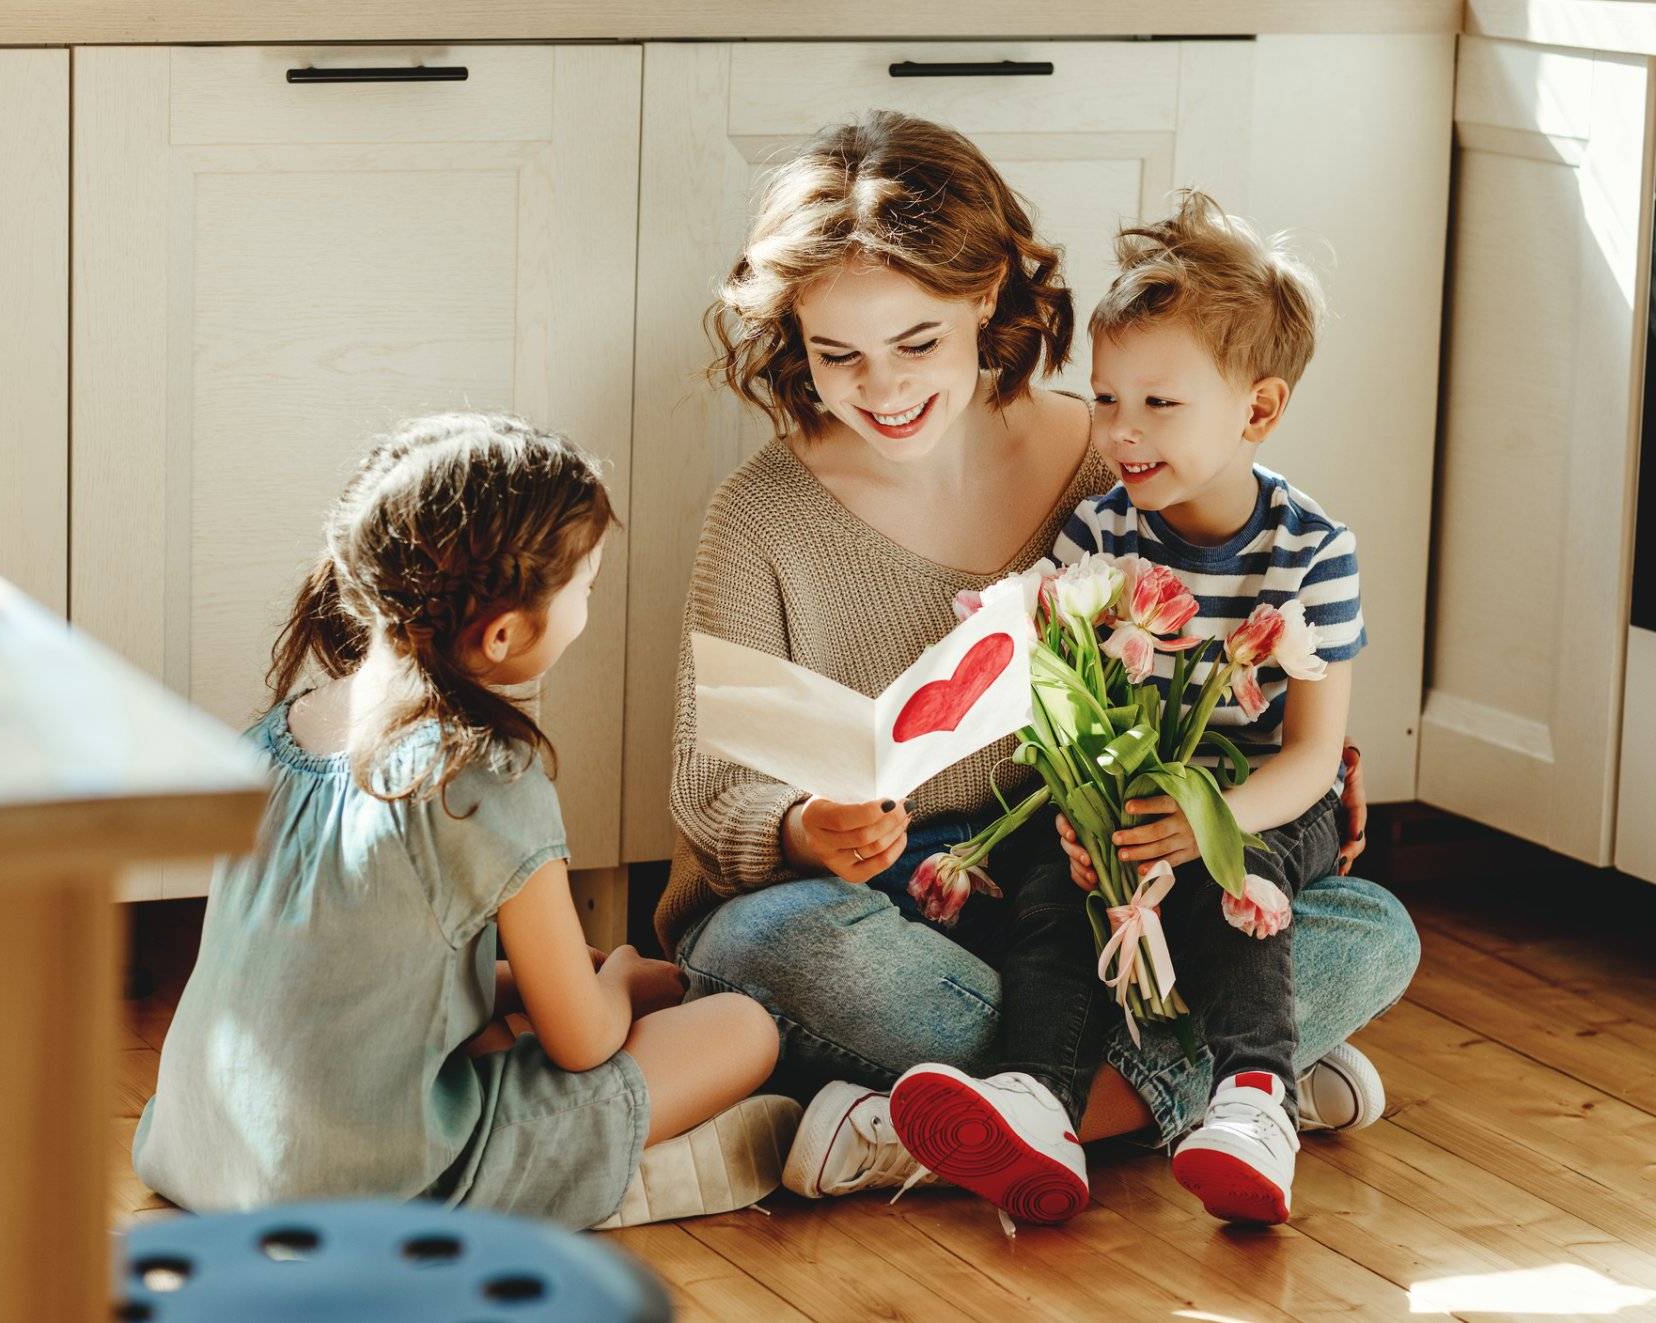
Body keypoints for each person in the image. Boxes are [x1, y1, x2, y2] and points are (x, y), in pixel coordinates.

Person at [659, 110, 1417, 1203]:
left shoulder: (1115, 460)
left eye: (916, 343)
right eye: (838, 356)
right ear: (795, 342)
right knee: (790, 947)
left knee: (1375, 933)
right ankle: (1225, 1087)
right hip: (895, 907)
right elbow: (708, 789)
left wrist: (1266, 784)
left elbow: (1238, 647)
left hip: (1085, 889)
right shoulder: (761, 515)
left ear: (987, 300)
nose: (882, 389)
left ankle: (947, 1125)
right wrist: (801, 828)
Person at [133, 412, 792, 1230]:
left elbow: (342, 977)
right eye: (584, 588)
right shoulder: (478, 777)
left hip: (206, 1153)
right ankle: (611, 1181)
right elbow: (584, 1043)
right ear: (507, 630)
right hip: (370, 1189)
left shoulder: (273, 738)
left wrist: (527, 979)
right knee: (744, 1028)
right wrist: (619, 973)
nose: (588, 605)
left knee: (511, 1018)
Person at [889, 192, 1368, 1226]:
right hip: (1124, 791)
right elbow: (1050, 706)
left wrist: (1203, 828)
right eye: (1105, 399)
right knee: (1052, 895)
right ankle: (1037, 1102)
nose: (1118, 431)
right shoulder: (1097, 533)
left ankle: (1253, 1100)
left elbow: (1311, 757)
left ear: (1257, 409)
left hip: (1256, 797)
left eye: (1158, 405)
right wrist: (1089, 818)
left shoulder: (1312, 553)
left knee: (1241, 891)